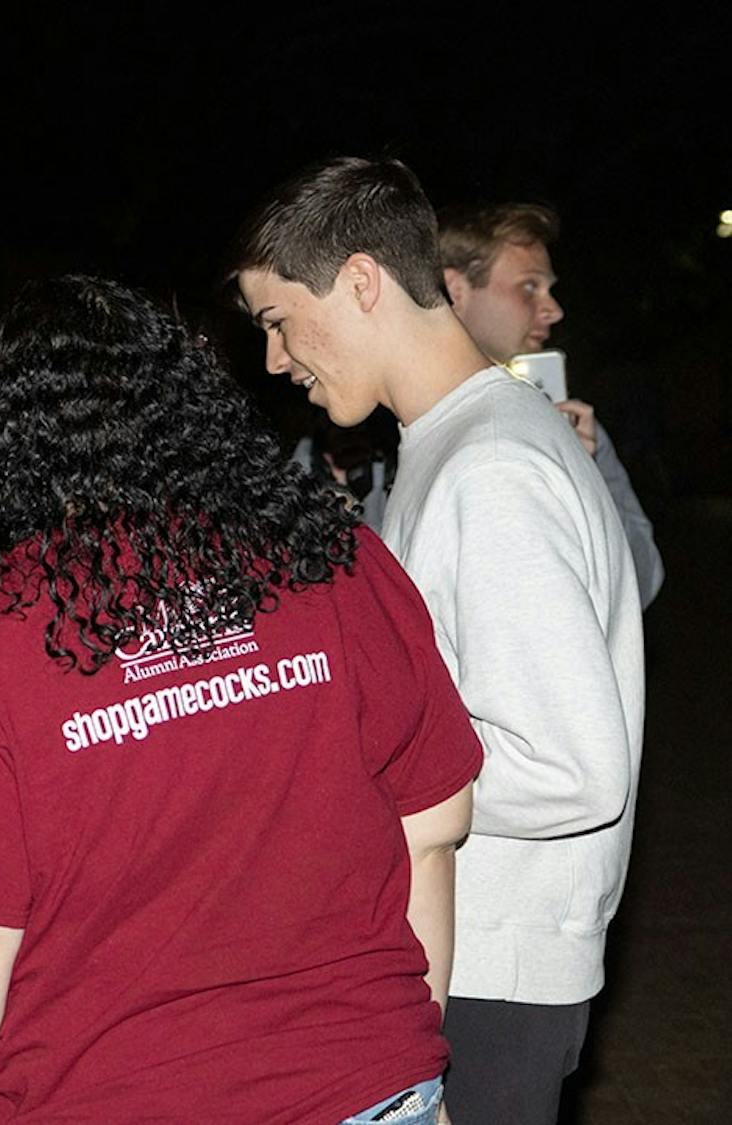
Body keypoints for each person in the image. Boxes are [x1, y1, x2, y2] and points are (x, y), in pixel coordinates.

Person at [0, 275, 483, 1123]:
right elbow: (434, 826)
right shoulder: (337, 558)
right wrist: (405, 1059)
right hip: (367, 1089)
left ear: (0, 442)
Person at [232, 157, 645, 1125]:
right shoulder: (451, 446)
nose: (276, 361)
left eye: (279, 321)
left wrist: (351, 787)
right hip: (475, 944)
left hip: (497, 965)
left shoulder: (491, 466)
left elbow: (576, 767)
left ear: (363, 281)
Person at [438, 202, 664, 609]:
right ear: (455, 290)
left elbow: (642, 582)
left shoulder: (568, 424)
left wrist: (586, 474)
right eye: (529, 287)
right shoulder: (388, 431)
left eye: (550, 289)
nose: (554, 309)